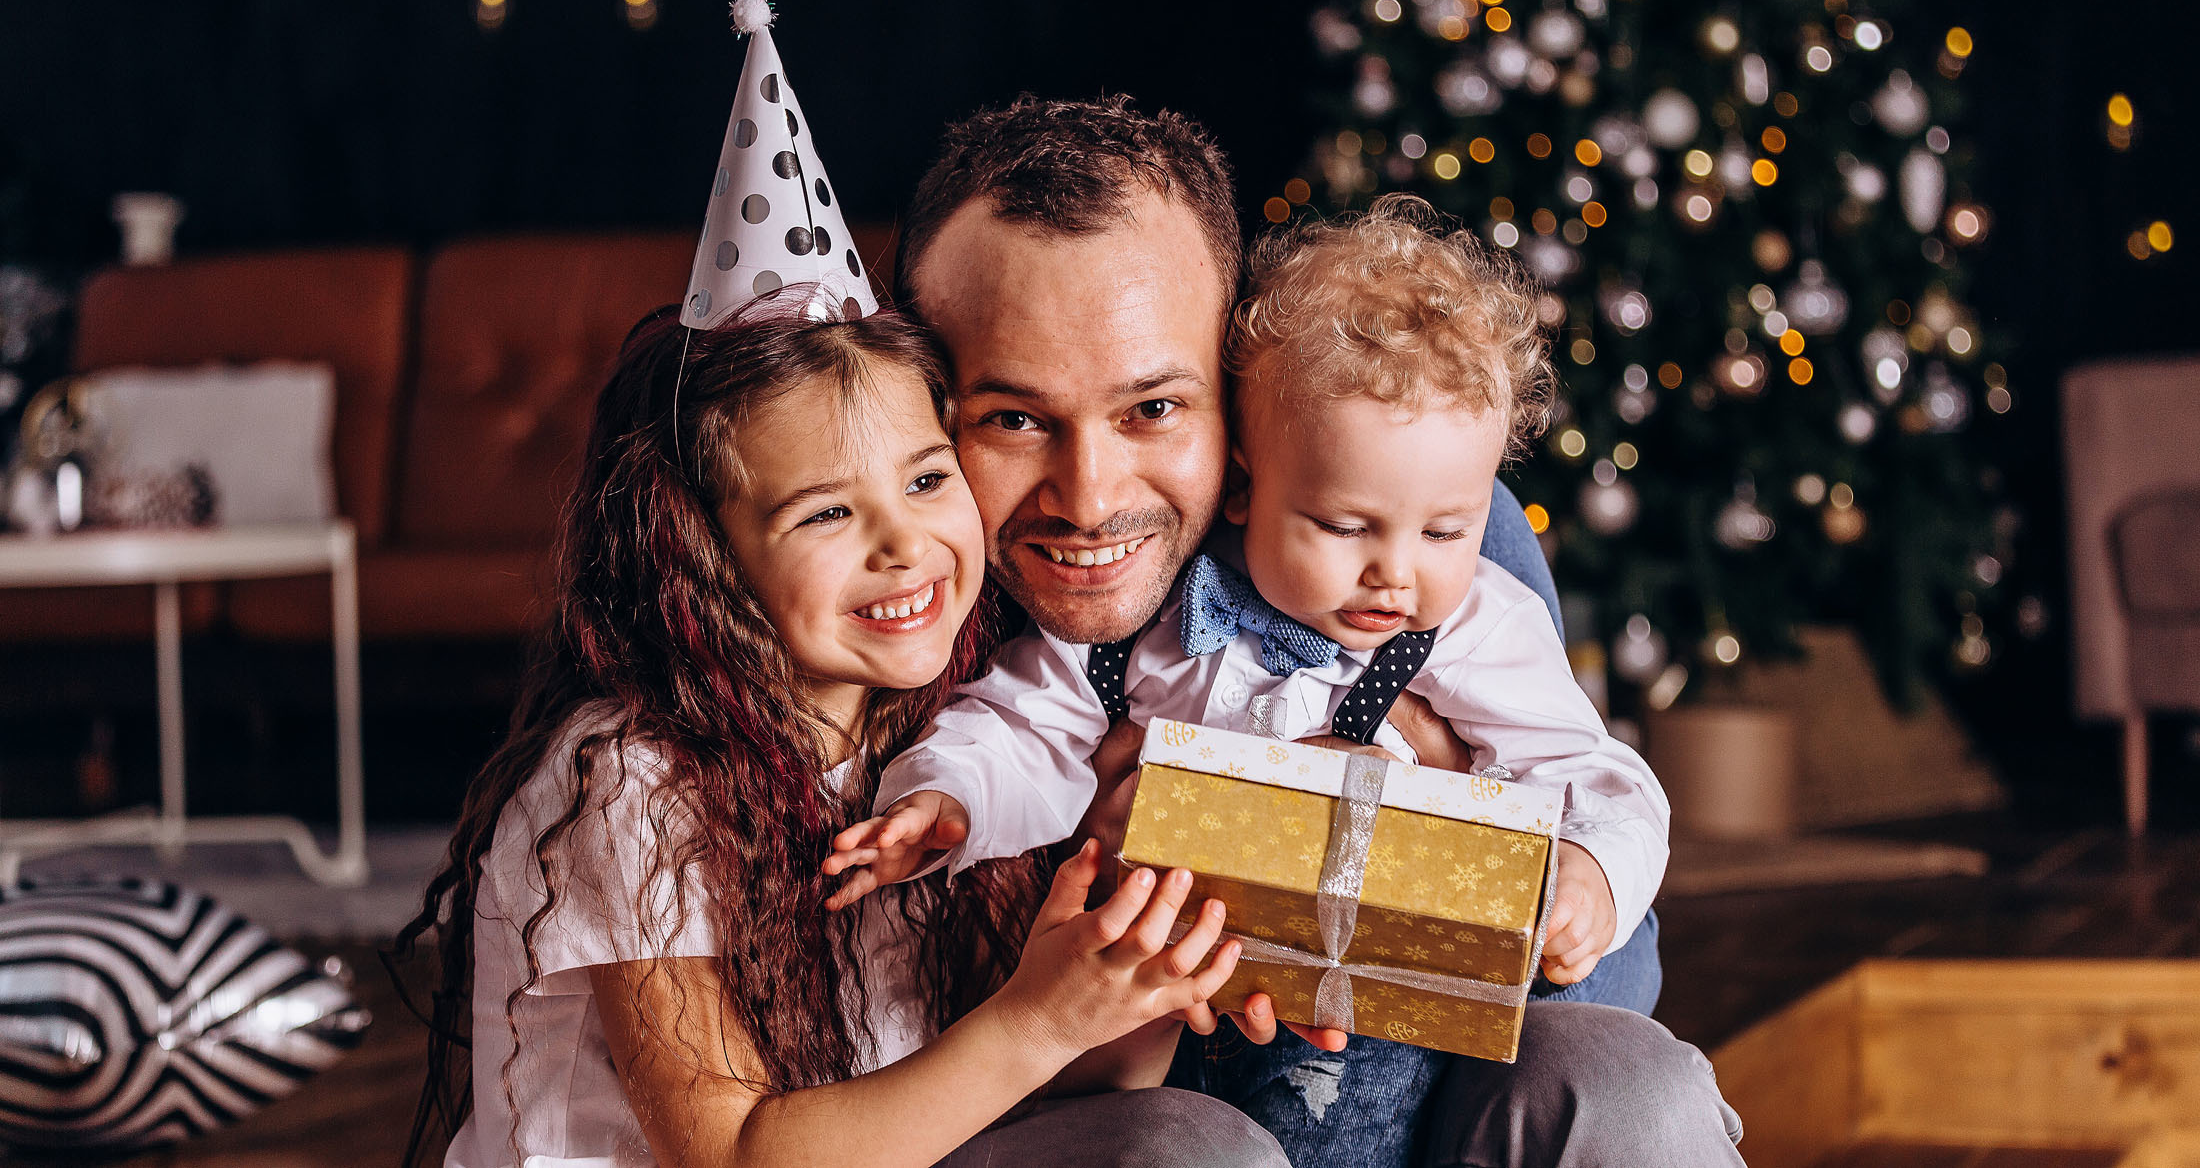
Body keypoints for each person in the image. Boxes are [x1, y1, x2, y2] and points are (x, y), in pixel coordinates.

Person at [868, 95, 1742, 1168]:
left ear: (1231, 410)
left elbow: (1610, 956)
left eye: (1152, 408)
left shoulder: (1440, 556)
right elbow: (1008, 736)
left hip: (1413, 1077)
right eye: (1012, 417)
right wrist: (977, 811)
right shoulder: (884, 586)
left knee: (1629, 1082)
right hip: (1095, 1103)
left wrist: (1427, 827)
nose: (1089, 498)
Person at [397, 305, 1290, 1168]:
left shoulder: (958, 741)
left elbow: (993, 1103)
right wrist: (1039, 1019)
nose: (904, 542)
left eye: (927, 480)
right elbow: (733, 1153)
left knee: (1195, 1144)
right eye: (827, 512)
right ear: (700, 551)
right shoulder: (637, 784)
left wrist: (1135, 986)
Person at [830, 196, 1670, 1015]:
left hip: (1395, 1005)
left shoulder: (1474, 623)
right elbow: (1018, 727)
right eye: (1344, 526)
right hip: (1196, 1006)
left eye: (1448, 530)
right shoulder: (1146, 615)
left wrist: (1591, 869)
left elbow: (1593, 773)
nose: (1395, 572)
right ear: (1241, 485)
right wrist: (947, 803)